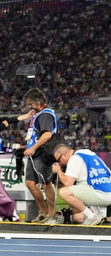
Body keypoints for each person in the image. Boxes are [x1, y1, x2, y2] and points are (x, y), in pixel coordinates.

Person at [21, 88, 58, 223]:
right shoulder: (38, 114)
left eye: (31, 103)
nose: (30, 106)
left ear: (38, 101)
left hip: (43, 153)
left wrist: (33, 148)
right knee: (30, 182)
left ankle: (52, 214)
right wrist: (27, 147)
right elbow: (36, 135)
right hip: (34, 152)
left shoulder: (46, 114)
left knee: (46, 183)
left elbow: (47, 134)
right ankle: (43, 211)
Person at [51, 144, 110, 225]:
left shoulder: (75, 158)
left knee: (64, 192)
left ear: (64, 155)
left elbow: (68, 183)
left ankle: (91, 217)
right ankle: (99, 214)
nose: (60, 163)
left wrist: (58, 171)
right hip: (107, 193)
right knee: (83, 184)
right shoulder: (92, 155)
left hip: (100, 195)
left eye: (59, 160)